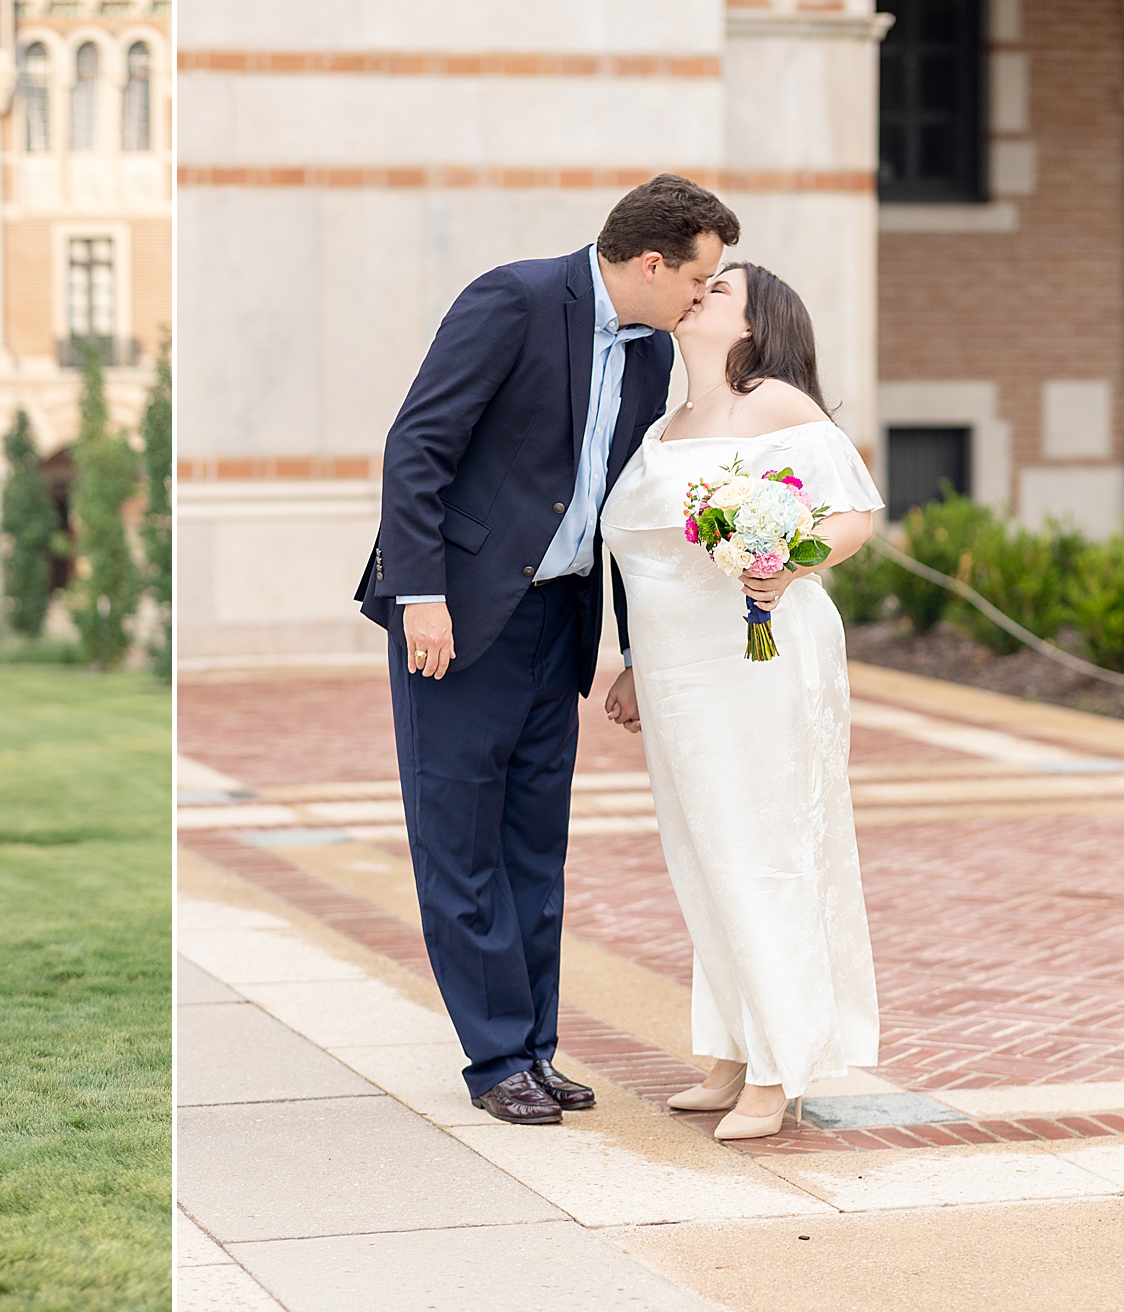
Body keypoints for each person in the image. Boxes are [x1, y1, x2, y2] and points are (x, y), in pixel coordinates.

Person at [355, 174, 742, 1124]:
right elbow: (417, 447)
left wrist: (633, 646)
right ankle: (495, 1061)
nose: (701, 299)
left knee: (536, 846)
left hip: (557, 623)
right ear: (652, 263)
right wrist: (422, 595)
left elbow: (625, 510)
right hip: (458, 620)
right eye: (699, 280)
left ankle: (533, 1045)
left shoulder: (651, 352)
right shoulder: (514, 299)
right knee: (461, 845)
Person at [600, 263, 880, 1139]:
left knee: (760, 849)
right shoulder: (667, 421)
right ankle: (729, 1044)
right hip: (678, 669)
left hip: (757, 655)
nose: (700, 294)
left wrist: (784, 561)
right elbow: (648, 560)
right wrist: (637, 661)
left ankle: (778, 1061)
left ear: (757, 326)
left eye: (721, 289)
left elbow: (851, 513)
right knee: (700, 850)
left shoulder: (777, 405)